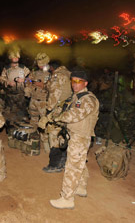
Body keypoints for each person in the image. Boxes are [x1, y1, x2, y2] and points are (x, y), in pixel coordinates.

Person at [41, 69, 99, 209]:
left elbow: (71, 116)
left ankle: (67, 198)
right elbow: (63, 108)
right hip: (75, 135)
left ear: (85, 83)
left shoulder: (88, 100)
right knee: (79, 162)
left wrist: (53, 118)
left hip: (81, 137)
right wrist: (49, 116)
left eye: (78, 82)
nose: (75, 84)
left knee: (72, 167)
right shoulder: (76, 96)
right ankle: (81, 187)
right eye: (73, 81)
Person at [39, 60, 72, 171]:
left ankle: (54, 165)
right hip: (67, 108)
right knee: (63, 134)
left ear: (52, 67)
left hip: (58, 109)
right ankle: (63, 160)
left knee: (54, 135)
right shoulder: (67, 73)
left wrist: (48, 111)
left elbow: (55, 94)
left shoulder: (57, 76)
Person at [0, 51, 30, 120]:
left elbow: (30, 79)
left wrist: (24, 80)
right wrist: (7, 82)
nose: (15, 59)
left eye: (17, 57)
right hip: (10, 94)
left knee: (21, 113)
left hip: (21, 94)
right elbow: (0, 78)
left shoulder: (23, 68)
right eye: (14, 57)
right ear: (10, 58)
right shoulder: (6, 69)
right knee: (9, 113)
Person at [26, 52, 51, 131]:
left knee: (44, 123)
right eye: (38, 64)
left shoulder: (51, 74)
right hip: (33, 99)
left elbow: (54, 89)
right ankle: (34, 136)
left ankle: (44, 141)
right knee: (33, 121)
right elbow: (28, 80)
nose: (40, 65)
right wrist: (29, 82)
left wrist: (43, 85)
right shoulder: (35, 72)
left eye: (42, 64)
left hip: (43, 101)